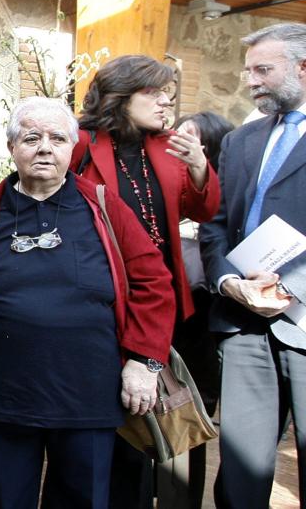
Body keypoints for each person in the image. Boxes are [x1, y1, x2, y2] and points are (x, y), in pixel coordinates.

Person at [0, 96, 175, 509]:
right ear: (12, 148)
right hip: (9, 397)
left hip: (90, 394)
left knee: (83, 500)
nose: (44, 148)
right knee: (8, 500)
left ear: (73, 147)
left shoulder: (104, 208)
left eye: (57, 138)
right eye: (31, 137)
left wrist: (144, 361)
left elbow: (155, 282)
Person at [71, 54, 220, 507]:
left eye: (169, 94)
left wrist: (199, 167)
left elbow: (203, 209)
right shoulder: (79, 143)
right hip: (102, 301)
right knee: (112, 422)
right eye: (153, 93)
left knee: (156, 415)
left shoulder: (170, 144)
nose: (166, 102)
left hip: (164, 301)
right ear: (120, 95)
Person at [200, 23, 306, 509]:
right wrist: (228, 282)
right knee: (240, 473)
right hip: (242, 324)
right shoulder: (240, 141)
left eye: (263, 69)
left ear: (302, 69)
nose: (250, 81)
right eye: (248, 70)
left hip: (303, 319)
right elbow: (215, 224)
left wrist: (291, 284)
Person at [159, 111, 232, 509]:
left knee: (188, 415)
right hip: (157, 318)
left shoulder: (219, 204)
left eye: (192, 142)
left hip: (197, 324)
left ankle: (179, 500)